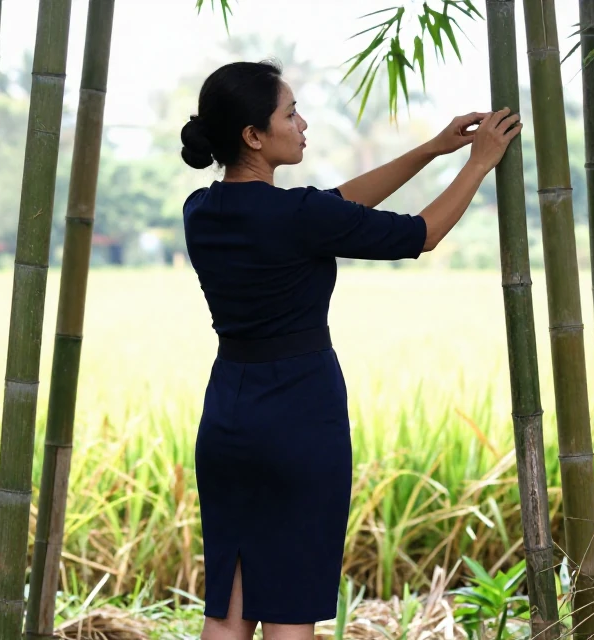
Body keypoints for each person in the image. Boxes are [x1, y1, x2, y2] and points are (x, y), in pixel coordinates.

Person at [179, 59, 522, 640]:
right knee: (290, 610)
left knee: (229, 612)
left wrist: (432, 149)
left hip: (228, 421)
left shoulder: (201, 211)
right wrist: (479, 163)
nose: (303, 124)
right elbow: (421, 233)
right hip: (299, 419)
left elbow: (335, 206)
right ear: (254, 136)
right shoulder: (301, 217)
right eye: (291, 114)